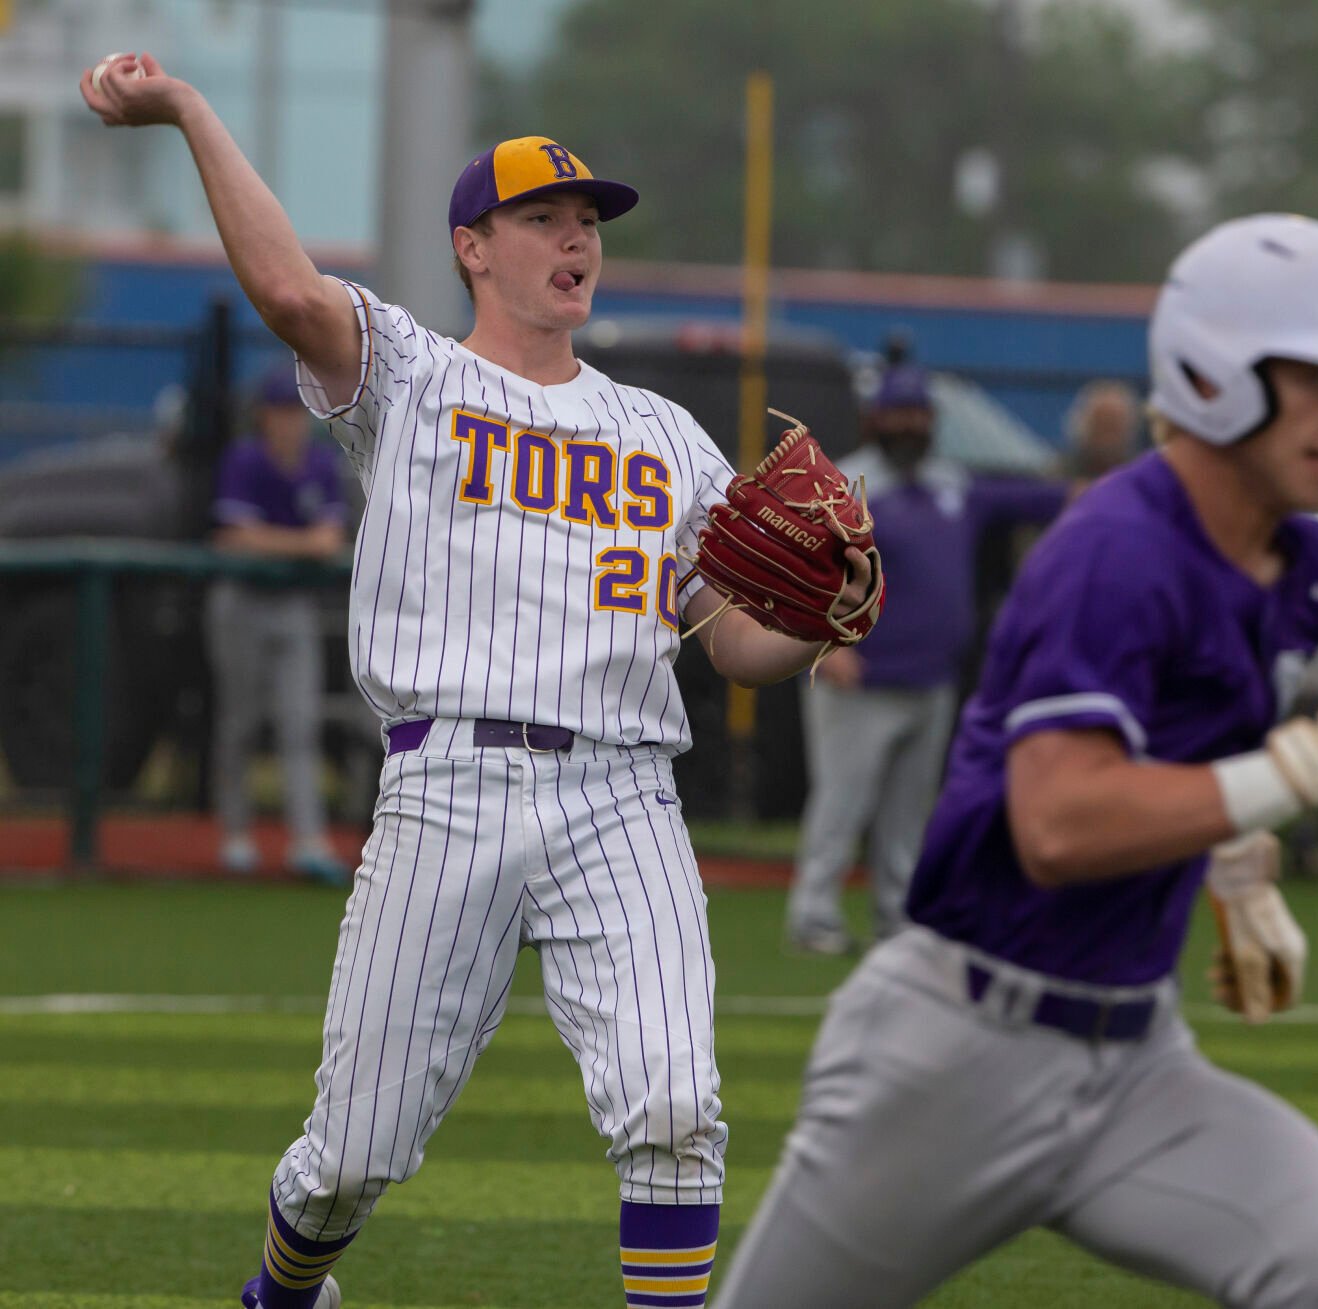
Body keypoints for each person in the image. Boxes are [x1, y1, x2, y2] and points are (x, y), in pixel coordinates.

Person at [81, 52, 875, 1309]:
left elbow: (730, 640)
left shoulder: (663, 432)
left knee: (674, 1103)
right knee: (349, 1156)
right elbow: (287, 291)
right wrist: (186, 107)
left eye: (588, 221)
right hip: (445, 782)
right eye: (542, 218)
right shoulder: (409, 373)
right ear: (473, 247)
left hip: (624, 792)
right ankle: (288, 1291)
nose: (576, 238)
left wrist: (820, 622)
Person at [716, 213, 1318, 1309]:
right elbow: (1058, 825)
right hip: (957, 1051)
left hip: (1135, 1059)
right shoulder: (1117, 548)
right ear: (1213, 370)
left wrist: (1241, 879)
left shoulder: (1305, 567)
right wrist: (1313, 762)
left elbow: (1204, 738)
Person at [786, 362, 1067, 953]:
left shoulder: (951, 483)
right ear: (876, 419)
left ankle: (898, 917)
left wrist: (1114, 488)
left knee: (908, 814)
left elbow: (1039, 500)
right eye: (900, 413)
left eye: (920, 414)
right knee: (842, 803)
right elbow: (797, 568)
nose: (911, 424)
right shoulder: (848, 482)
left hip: (931, 676)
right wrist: (820, 642)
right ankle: (813, 917)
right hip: (859, 677)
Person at [207, 364, 352, 886]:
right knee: (240, 721)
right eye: (280, 412)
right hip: (240, 602)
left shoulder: (319, 462)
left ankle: (308, 839)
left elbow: (330, 539)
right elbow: (233, 537)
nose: (289, 422)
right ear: (263, 416)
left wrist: (274, 540)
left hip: (292, 604)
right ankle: (235, 834)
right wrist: (300, 544)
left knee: (300, 722)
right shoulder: (245, 459)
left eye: (296, 412)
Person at [1061, 375, 1143, 493]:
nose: (1107, 437)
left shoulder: (1140, 477)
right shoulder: (1060, 477)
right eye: (1101, 424)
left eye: (1113, 425)